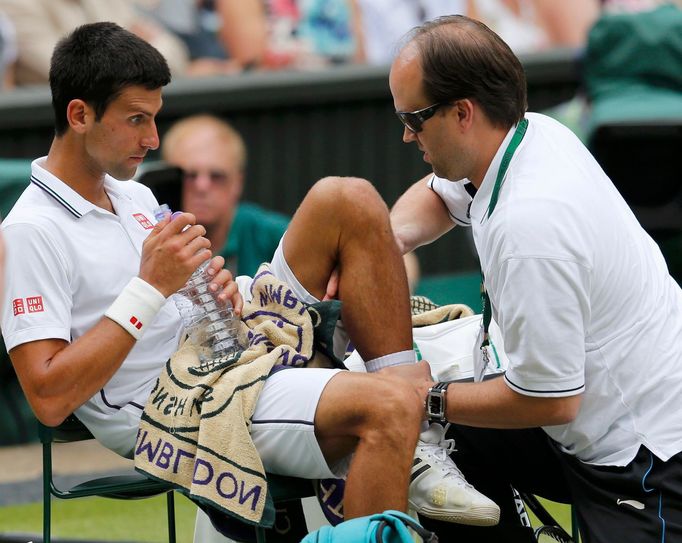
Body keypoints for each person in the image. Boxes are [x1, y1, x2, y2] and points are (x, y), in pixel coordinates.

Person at [0, 21, 495, 540]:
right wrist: (151, 290)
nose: (152, 139)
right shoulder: (31, 232)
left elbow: (168, 302)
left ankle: (414, 445)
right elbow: (49, 397)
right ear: (79, 115)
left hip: (233, 353)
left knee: (346, 198)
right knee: (393, 405)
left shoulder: (133, 195)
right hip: (171, 405)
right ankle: (402, 426)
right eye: (136, 120)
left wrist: (213, 295)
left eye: (154, 119)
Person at [388, 15, 682, 542]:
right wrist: (387, 245)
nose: (408, 134)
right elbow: (436, 194)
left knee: (424, 411)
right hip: (598, 427)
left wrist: (426, 396)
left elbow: (550, 400)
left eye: (414, 118)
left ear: (462, 114)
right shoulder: (530, 133)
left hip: (650, 460)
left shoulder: (531, 226)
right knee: (438, 433)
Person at [160, 114, 289, 278]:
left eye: (216, 176)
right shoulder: (148, 239)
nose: (202, 186)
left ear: (238, 183)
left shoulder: (275, 237)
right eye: (190, 175)